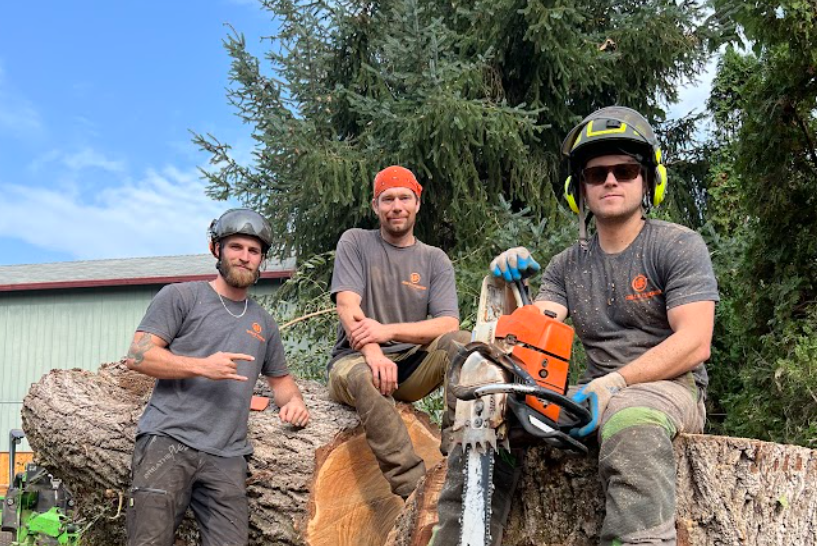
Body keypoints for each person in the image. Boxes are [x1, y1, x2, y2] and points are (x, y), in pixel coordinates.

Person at [433, 106, 719, 546]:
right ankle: (462, 535)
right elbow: (537, 325)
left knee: (631, 417)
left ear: (648, 181)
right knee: (487, 408)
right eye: (596, 173)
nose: (610, 181)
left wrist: (615, 383)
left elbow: (695, 342)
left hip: (670, 387)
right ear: (578, 189)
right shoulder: (569, 264)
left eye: (624, 170)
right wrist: (507, 285)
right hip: (591, 394)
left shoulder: (677, 245)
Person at [124, 208, 309, 546]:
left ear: (261, 260)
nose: (244, 257)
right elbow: (138, 356)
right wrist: (201, 366)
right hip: (167, 441)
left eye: (254, 251)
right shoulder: (182, 296)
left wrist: (294, 402)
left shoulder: (263, 323)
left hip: (227, 455)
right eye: (236, 247)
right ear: (216, 249)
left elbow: (281, 382)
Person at [327, 165, 471, 499]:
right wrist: (374, 353)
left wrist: (387, 331)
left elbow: (448, 324)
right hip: (354, 361)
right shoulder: (356, 242)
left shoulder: (435, 260)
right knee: (367, 377)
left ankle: (458, 458)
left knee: (463, 345)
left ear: (417, 203)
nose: (396, 206)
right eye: (387, 199)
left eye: (404, 197)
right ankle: (415, 491)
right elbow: (348, 307)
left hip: (408, 366)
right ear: (375, 206)